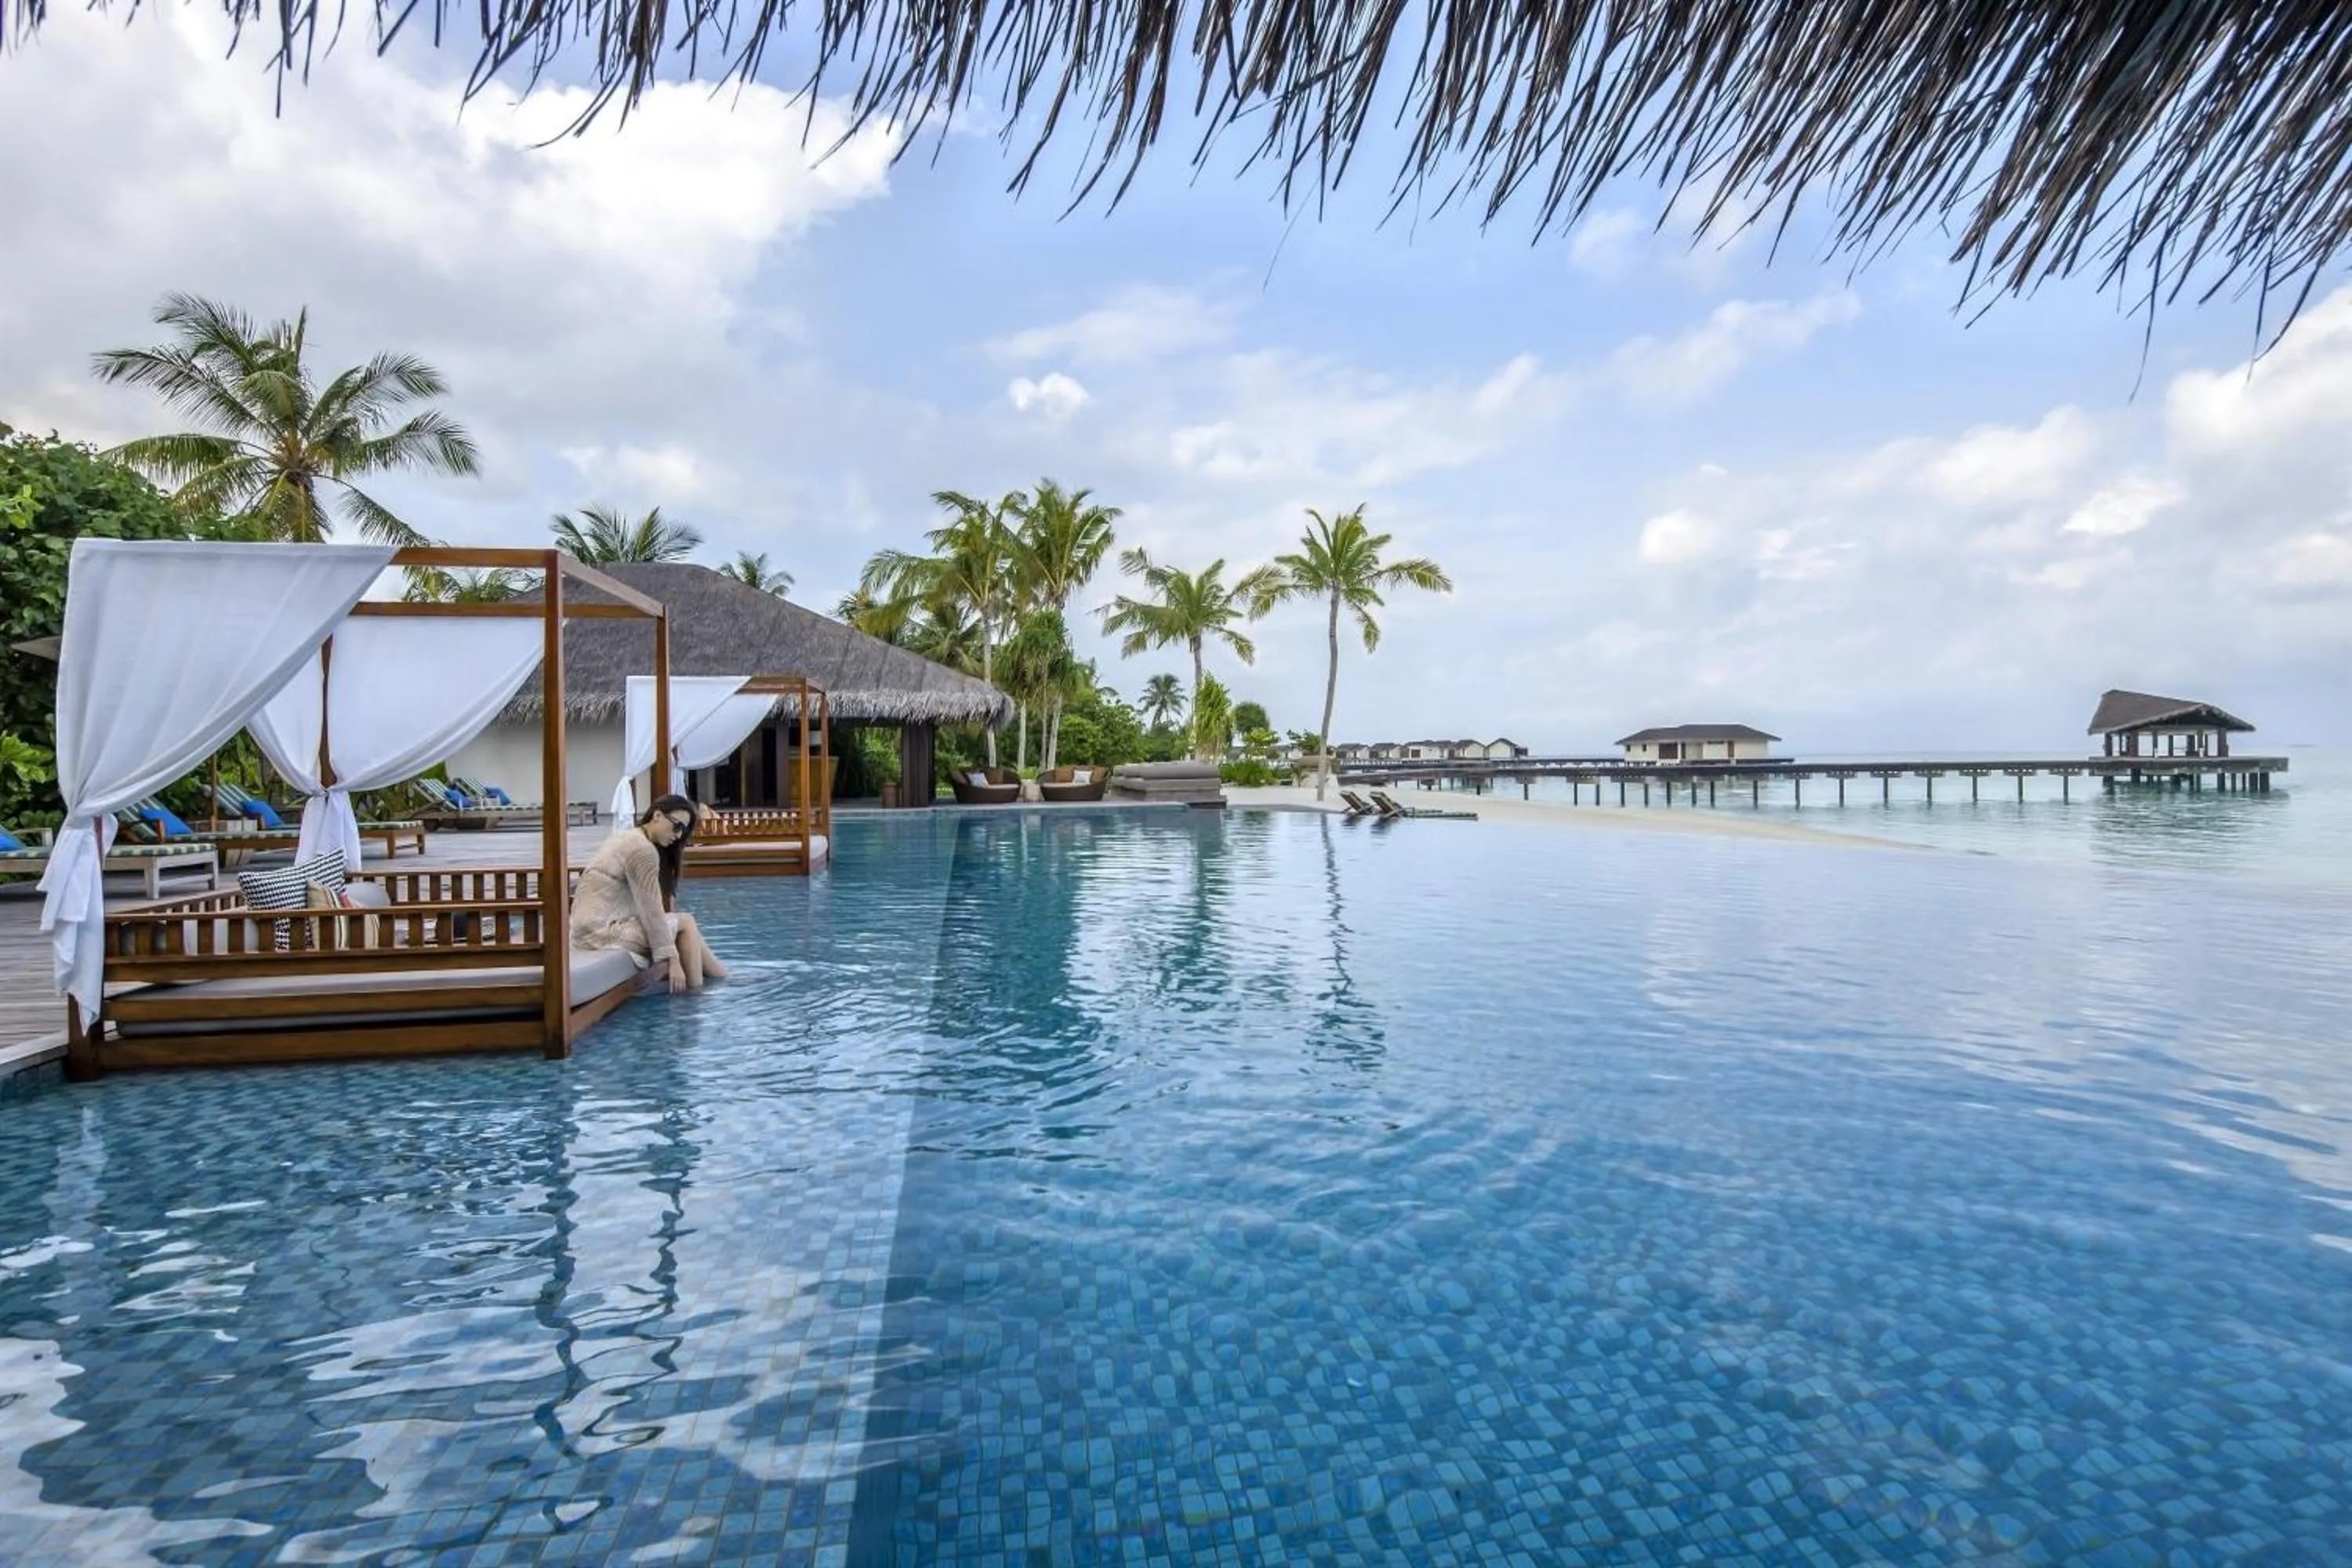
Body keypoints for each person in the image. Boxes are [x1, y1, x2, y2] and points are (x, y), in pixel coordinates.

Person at [571, 793, 730, 991]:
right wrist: (671, 959)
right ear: (657, 816)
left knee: (683, 924)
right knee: (686, 923)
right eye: (677, 826)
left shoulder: (626, 837)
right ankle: (696, 994)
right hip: (601, 936)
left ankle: (723, 978)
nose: (678, 835)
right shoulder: (642, 850)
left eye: (683, 831)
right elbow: (651, 910)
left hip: (585, 931)